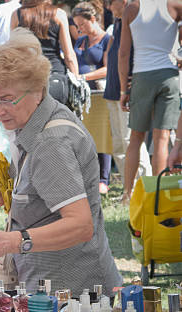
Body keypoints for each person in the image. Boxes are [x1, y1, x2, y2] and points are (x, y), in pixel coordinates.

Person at [0, 28, 121, 295]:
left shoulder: (51, 142)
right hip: (54, 288)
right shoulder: (33, 120)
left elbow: (81, 225)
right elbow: (43, 186)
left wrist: (16, 240)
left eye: (6, 99)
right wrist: (8, 194)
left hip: (74, 296)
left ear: (37, 90)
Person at [118, 0, 182, 203]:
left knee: (136, 138)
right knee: (162, 138)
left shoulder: (131, 7)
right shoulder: (175, 5)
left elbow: (123, 53)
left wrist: (123, 89)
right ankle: (159, 193)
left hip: (142, 76)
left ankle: (127, 193)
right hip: (169, 75)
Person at [102, 0, 151, 191]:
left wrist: (127, 88)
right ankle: (127, 189)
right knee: (118, 144)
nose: (107, 7)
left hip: (128, 91)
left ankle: (145, 187)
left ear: (123, 2)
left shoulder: (135, 22)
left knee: (132, 141)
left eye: (110, 2)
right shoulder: (117, 22)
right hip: (113, 90)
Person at [72, 2, 112, 195]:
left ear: (93, 19)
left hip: (99, 92)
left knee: (102, 135)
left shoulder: (107, 39)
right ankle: (88, 177)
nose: (80, 29)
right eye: (77, 26)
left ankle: (103, 179)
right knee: (84, 136)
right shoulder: (81, 40)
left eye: (82, 24)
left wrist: (84, 77)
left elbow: (108, 68)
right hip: (81, 95)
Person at [11, 0, 79, 105]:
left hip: (27, 77)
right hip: (55, 74)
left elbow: (13, 51)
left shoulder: (17, 14)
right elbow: (69, 55)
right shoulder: (59, 14)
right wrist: (77, 81)